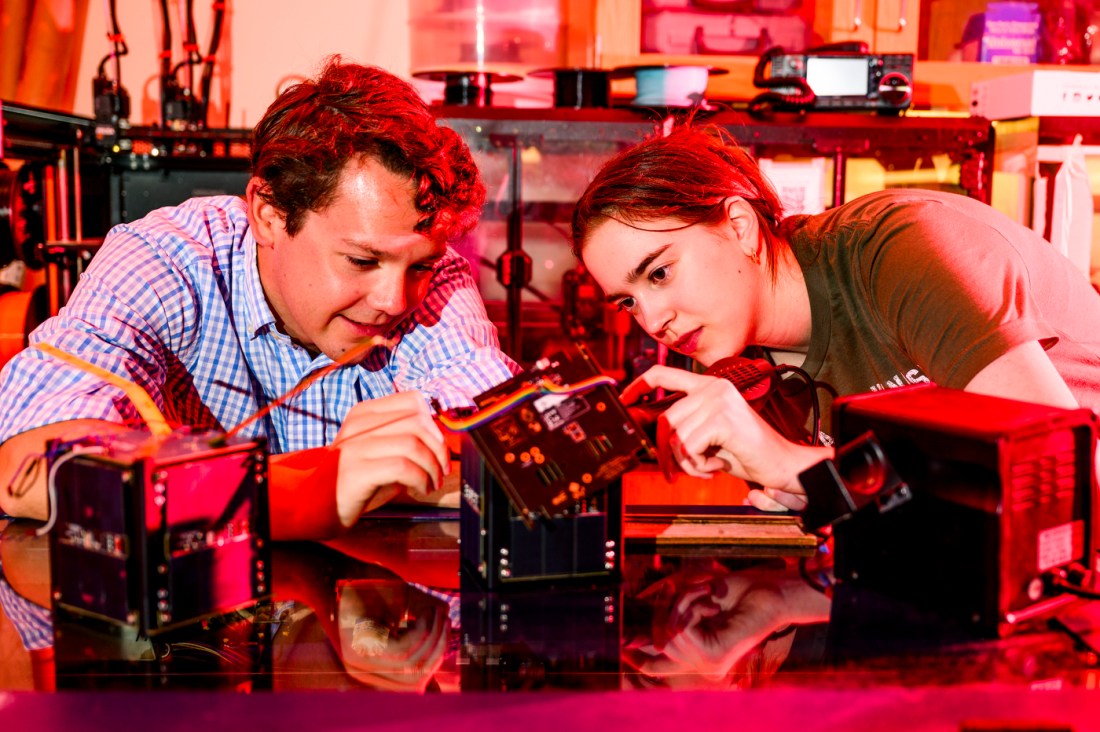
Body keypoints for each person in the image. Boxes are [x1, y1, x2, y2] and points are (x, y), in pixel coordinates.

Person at [0, 57, 518, 538]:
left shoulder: (437, 276)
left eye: (420, 265)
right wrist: (316, 490)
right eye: (362, 261)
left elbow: (511, 448)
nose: (393, 300)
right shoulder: (167, 260)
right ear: (268, 215)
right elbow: (29, 464)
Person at [571, 123, 1100, 513]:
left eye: (659, 274)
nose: (653, 319)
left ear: (739, 227)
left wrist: (789, 463)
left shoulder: (903, 251)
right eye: (628, 301)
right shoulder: (752, 367)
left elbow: (1056, 484)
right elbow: (896, 513)